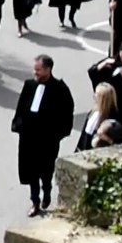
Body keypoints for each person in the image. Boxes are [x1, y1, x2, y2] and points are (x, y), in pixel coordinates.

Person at [12, 55, 75, 217]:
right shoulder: (30, 85)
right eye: (35, 69)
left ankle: (46, 192)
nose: (35, 72)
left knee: (45, 171)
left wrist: (58, 135)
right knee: (31, 171)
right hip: (29, 137)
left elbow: (67, 115)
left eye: (39, 70)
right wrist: (18, 125)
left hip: (47, 139)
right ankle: (35, 201)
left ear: (48, 70)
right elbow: (20, 108)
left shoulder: (60, 89)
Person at [75, 83, 122, 152]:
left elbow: (119, 142)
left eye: (97, 95)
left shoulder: (113, 119)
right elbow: (83, 137)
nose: (94, 97)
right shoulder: (92, 113)